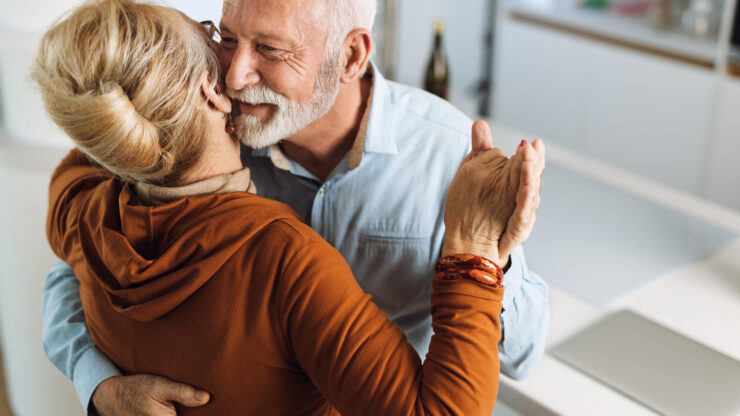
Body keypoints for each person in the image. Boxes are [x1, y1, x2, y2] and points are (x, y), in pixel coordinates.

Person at [34, 0, 545, 414]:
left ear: (349, 57)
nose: (234, 75)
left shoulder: (450, 157)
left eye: (271, 49)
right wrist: (98, 385)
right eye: (227, 37)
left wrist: (490, 253)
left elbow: (522, 354)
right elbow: (74, 273)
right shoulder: (194, 136)